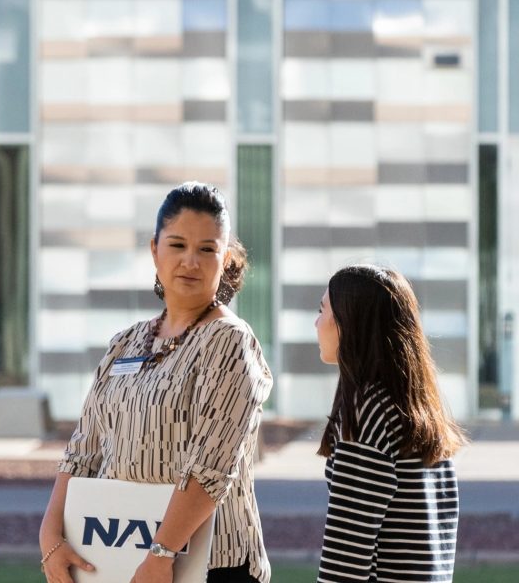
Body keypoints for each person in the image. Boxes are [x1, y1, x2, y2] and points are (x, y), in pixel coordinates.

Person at [39, 182, 273, 583]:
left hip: (207, 567)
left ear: (226, 259)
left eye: (207, 249)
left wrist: (161, 555)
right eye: (178, 245)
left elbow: (210, 467)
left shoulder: (229, 342)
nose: (190, 262)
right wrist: (50, 537)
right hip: (116, 560)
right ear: (154, 250)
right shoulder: (124, 344)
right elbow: (83, 451)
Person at [314, 265, 467, 583]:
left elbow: (346, 555)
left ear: (350, 324)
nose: (316, 323)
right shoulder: (419, 408)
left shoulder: (368, 408)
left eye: (322, 310)